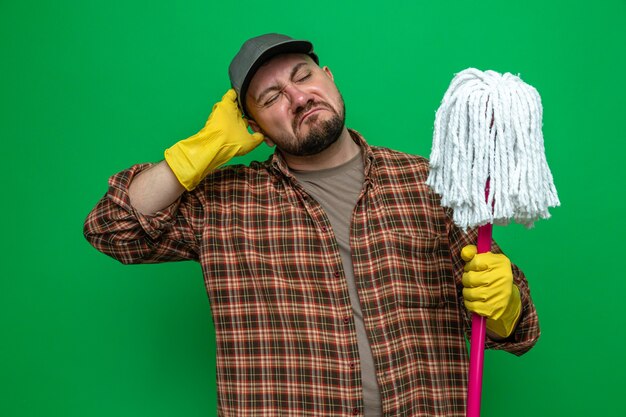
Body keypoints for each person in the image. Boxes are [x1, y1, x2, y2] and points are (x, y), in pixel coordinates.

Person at [84, 33, 540, 417]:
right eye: (272, 97)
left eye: (303, 76)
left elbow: (518, 330)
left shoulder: (430, 184)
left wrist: (507, 305)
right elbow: (112, 226)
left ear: (329, 78)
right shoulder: (221, 203)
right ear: (250, 124)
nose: (298, 97)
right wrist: (200, 150)